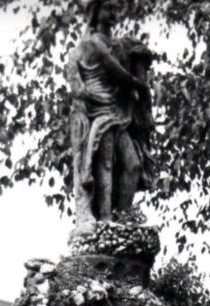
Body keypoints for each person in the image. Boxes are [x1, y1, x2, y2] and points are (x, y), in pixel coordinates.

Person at [67, 0, 153, 222]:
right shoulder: (94, 44)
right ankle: (105, 219)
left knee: (133, 165)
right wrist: (140, 86)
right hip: (100, 113)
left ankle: (122, 216)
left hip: (118, 115)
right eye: (109, 8)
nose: (115, 12)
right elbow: (120, 75)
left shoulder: (115, 45)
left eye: (117, 8)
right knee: (105, 165)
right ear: (96, 11)